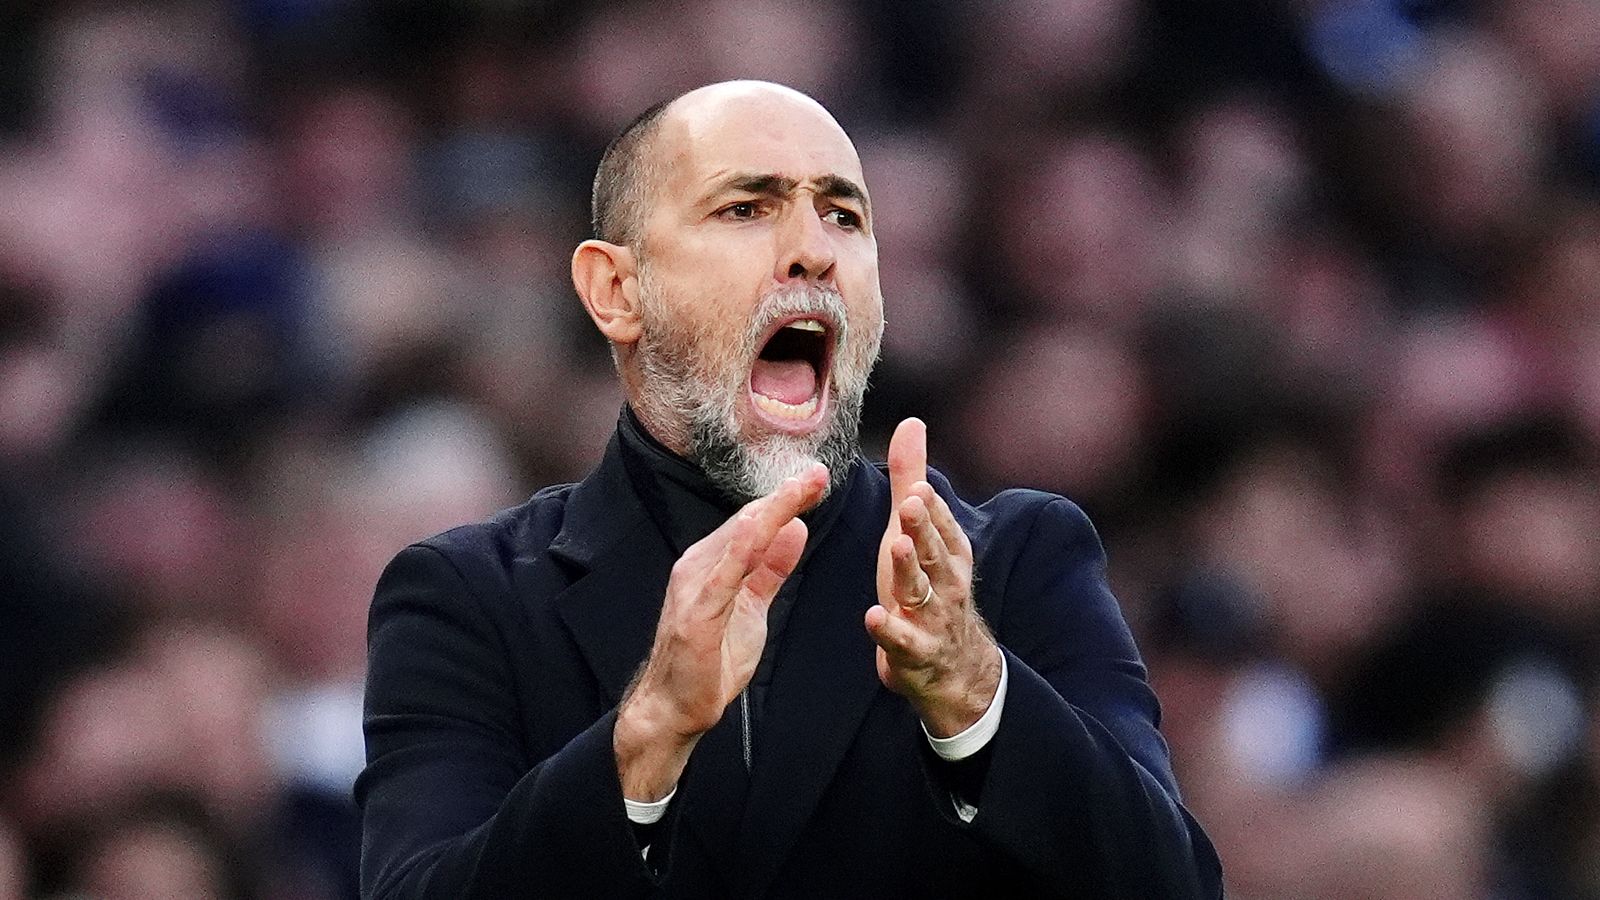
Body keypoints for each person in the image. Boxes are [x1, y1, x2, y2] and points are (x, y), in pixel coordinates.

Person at [355, 80, 1222, 899]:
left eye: (844, 215)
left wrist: (976, 695)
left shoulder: (1015, 563)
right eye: (746, 208)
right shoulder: (468, 599)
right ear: (616, 290)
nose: (814, 249)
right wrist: (646, 737)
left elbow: (1172, 883)